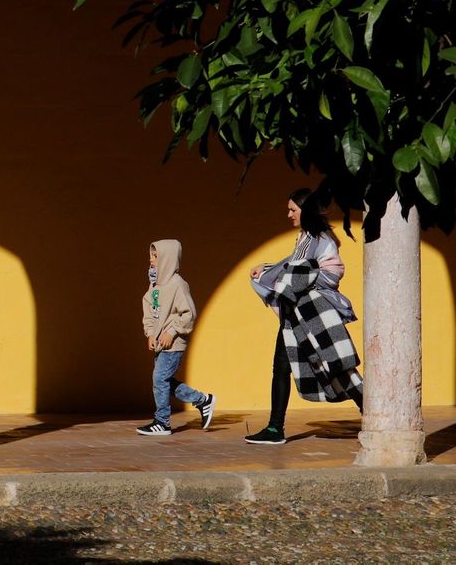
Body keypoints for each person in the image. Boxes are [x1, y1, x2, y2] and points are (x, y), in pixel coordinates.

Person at [244, 188, 363, 445]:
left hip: (313, 316)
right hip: (293, 313)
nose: (288, 215)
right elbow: (292, 266)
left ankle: (372, 413)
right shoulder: (305, 238)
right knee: (282, 367)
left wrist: (298, 278)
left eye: (292, 210)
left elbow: (331, 273)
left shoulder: (321, 239)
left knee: (337, 366)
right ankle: (275, 428)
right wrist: (268, 269)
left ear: (305, 210)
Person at [137, 239, 216, 436]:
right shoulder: (155, 285)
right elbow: (149, 311)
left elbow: (188, 313)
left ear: (168, 258)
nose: (151, 260)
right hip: (160, 343)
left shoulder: (177, 284)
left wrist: (171, 332)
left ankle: (162, 422)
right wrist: (149, 333)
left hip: (174, 342)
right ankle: (202, 400)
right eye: (150, 256)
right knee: (163, 380)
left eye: (156, 256)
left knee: (159, 378)